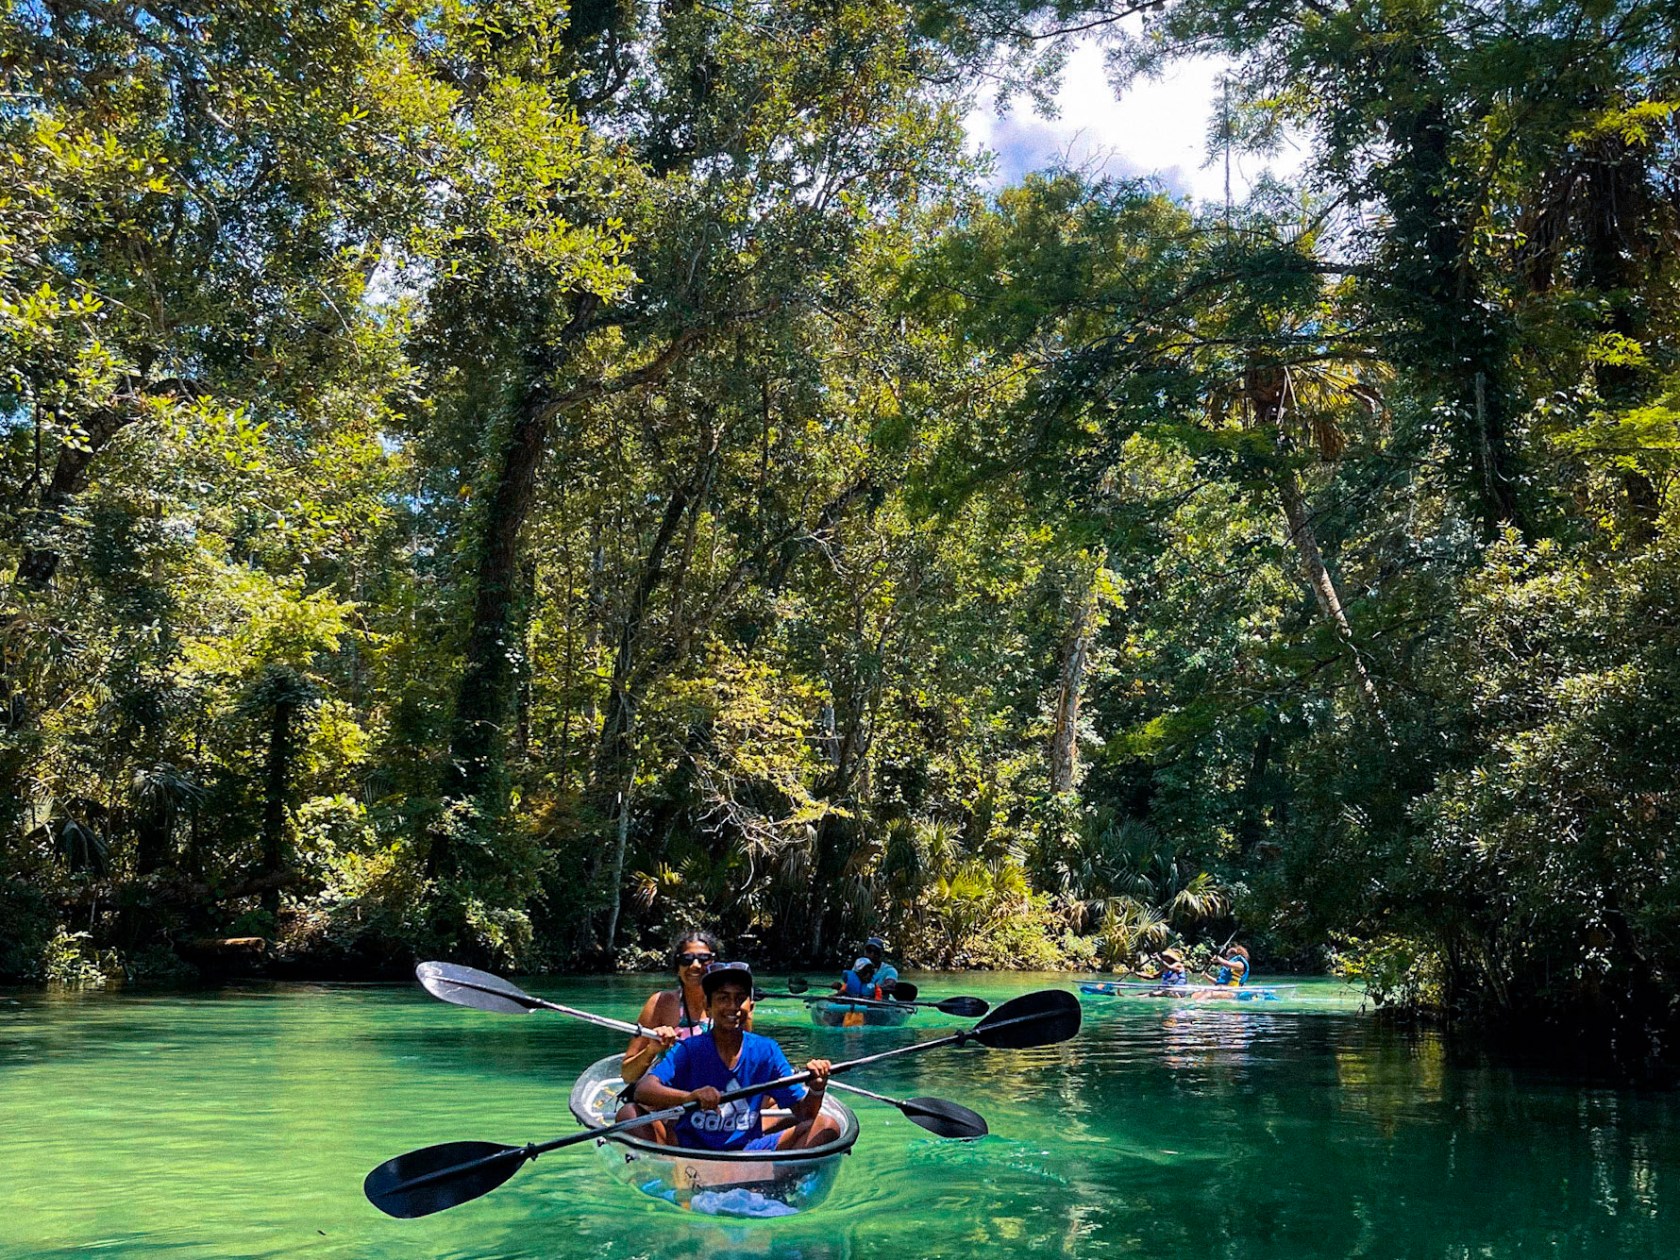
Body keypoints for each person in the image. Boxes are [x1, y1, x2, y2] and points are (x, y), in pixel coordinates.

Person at [633, 961, 839, 1151]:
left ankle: (775, 1181)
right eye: (723, 998)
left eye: (740, 998)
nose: (733, 1006)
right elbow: (643, 1090)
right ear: (708, 1007)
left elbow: (804, 1113)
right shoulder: (689, 1049)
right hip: (691, 1150)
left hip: (747, 1151)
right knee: (629, 1114)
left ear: (751, 1006)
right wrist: (689, 1097)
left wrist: (817, 1088)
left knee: (827, 1126)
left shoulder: (766, 1050)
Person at [619, 929, 719, 1087]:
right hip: (671, 1096)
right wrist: (651, 1050)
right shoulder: (660, 1002)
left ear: (715, 963)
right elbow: (627, 1075)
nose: (695, 965)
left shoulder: (731, 1004)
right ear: (677, 966)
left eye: (704, 959)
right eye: (686, 959)